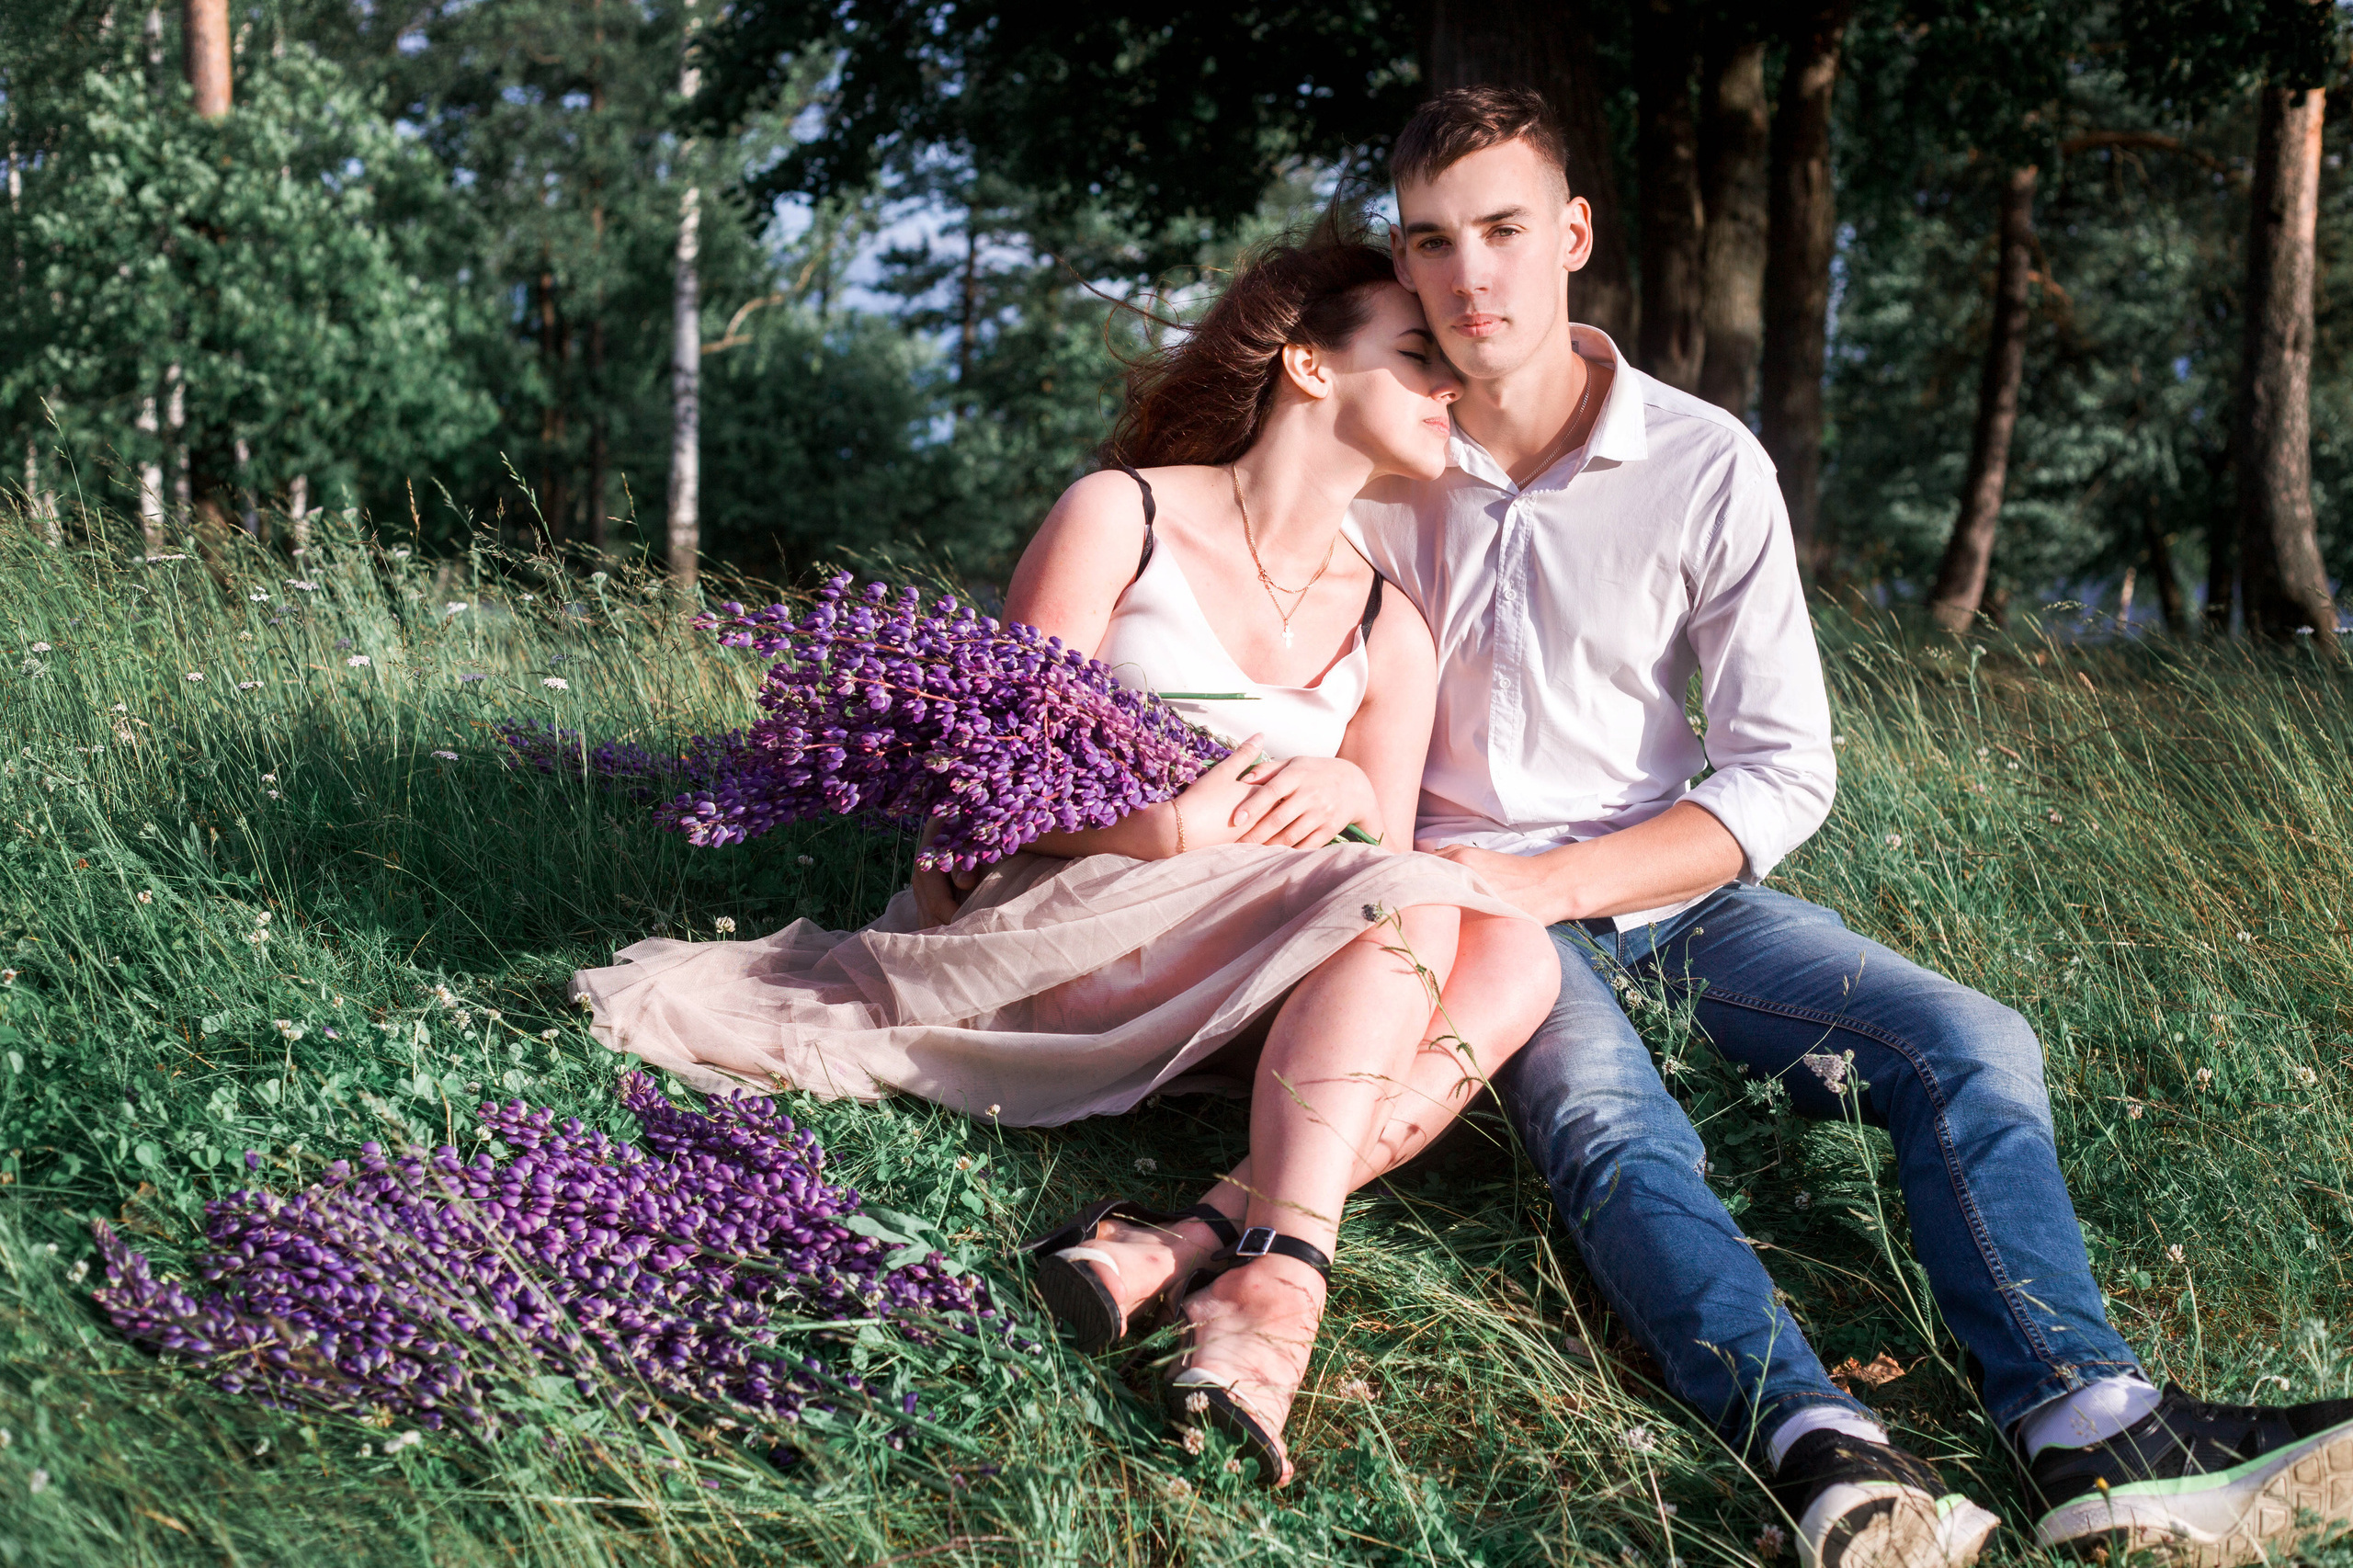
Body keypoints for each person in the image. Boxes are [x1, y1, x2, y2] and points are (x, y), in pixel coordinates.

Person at [1347, 84, 2353, 1568]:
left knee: (1973, 1041)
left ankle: (2094, 1429)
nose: (1468, 274)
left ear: (1571, 232)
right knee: (1614, 1128)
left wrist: (1563, 874)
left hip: (1663, 887)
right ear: (1405, 258)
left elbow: (1780, 771)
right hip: (1475, 923)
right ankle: (1826, 1454)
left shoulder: (1700, 462)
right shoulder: (1380, 460)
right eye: (1432, 241)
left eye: (1502, 228)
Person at [574, 228, 1563, 1489]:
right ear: (1311, 366)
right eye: (1418, 353)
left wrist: (1355, 791)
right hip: (1070, 927)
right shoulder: (1126, 515)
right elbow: (972, 800)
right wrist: (1173, 824)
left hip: (1248, 991)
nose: (1450, 388)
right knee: (1419, 901)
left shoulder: (1391, 626)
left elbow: (1400, 904)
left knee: (1509, 947)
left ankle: (1187, 1243)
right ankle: (1274, 1277)